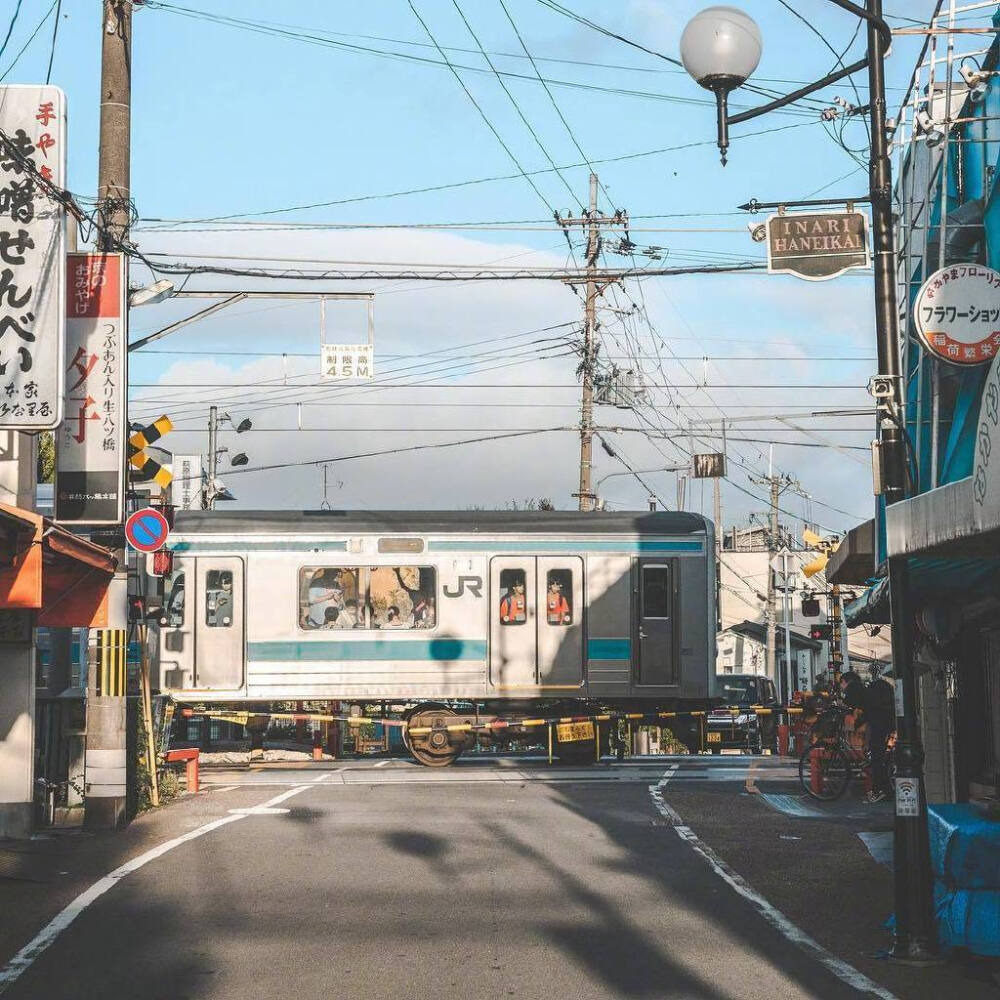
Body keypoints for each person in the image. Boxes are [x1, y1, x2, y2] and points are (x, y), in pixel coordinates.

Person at [864, 669, 896, 803]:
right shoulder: (887, 703)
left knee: (877, 761)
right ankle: (883, 790)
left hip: (878, 731)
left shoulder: (874, 706)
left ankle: (879, 791)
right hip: (886, 729)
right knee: (880, 760)